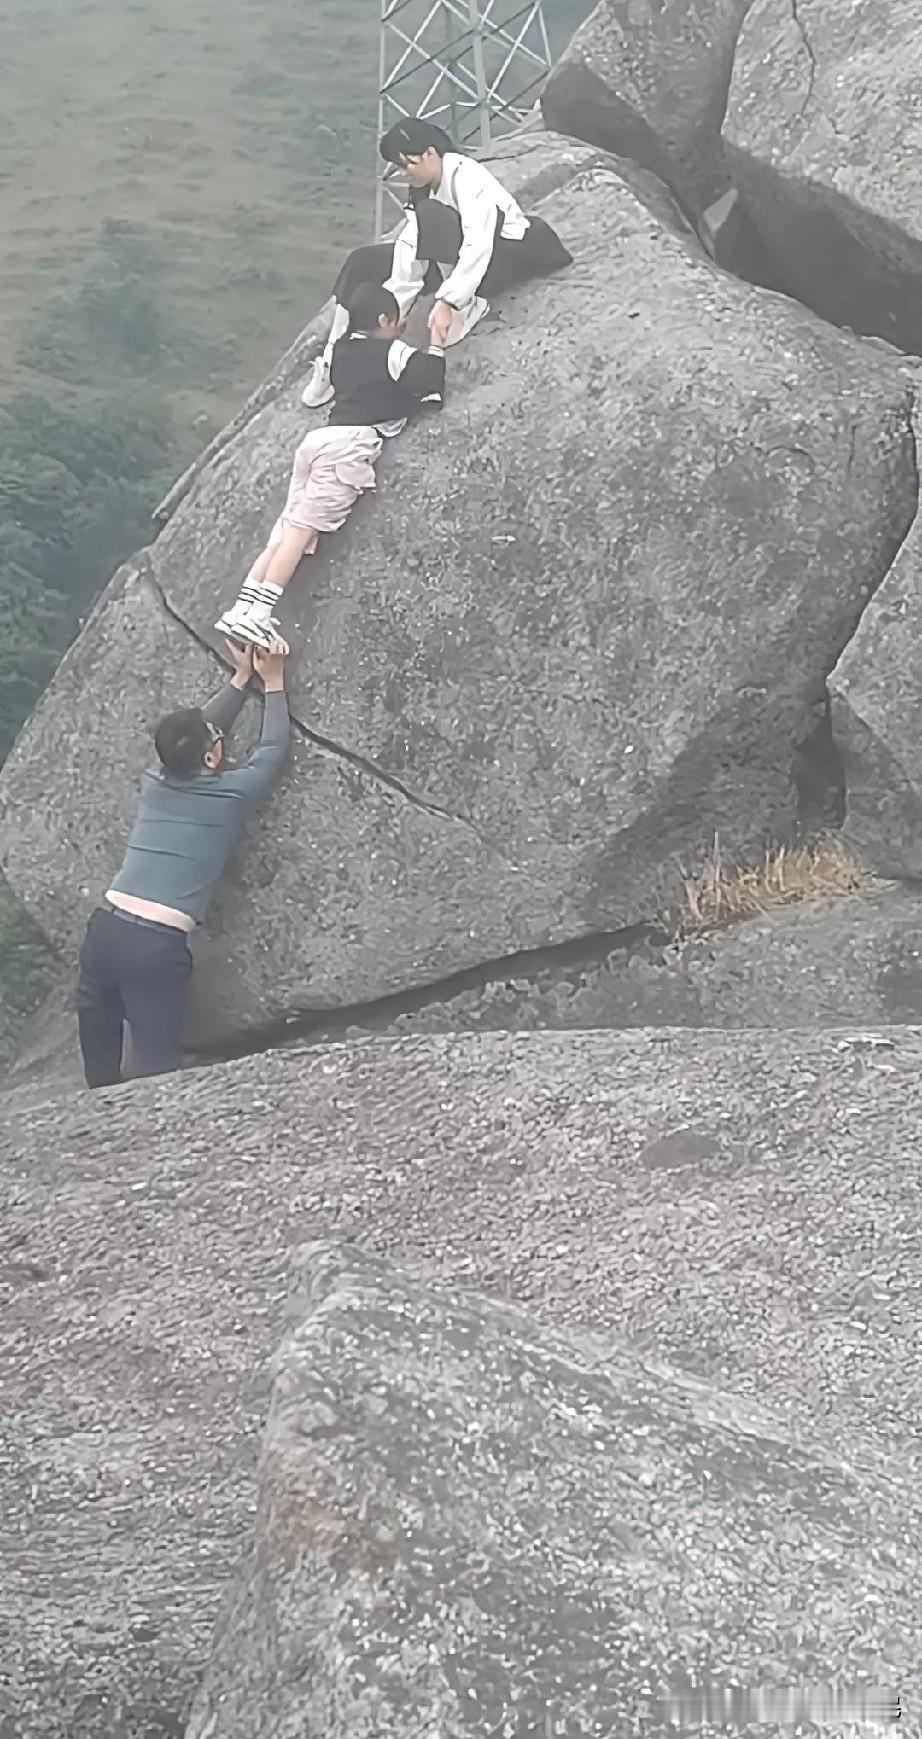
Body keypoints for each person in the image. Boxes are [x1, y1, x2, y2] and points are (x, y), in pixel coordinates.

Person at [75, 635, 290, 1089]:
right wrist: (273, 684)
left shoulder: (157, 779)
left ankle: (97, 1127)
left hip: (105, 929)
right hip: (154, 945)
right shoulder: (230, 794)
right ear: (213, 757)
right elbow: (271, 753)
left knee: (99, 1057)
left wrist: (240, 678)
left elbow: (198, 735)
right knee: (156, 1069)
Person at [215, 281, 445, 649]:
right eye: (397, 320)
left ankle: (243, 608)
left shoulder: (338, 351)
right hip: (348, 447)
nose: (400, 327)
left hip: (318, 442)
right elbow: (429, 379)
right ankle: (259, 615)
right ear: (385, 318)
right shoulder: (392, 351)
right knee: (300, 533)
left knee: (286, 529)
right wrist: (436, 340)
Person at [301, 118, 573, 405]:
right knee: (362, 261)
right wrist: (395, 309)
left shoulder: (467, 177)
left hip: (502, 259)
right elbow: (410, 245)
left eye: (408, 164)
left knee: (434, 215)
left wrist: (448, 302)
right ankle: (335, 358)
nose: (404, 173)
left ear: (431, 153)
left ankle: (467, 309)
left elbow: (478, 244)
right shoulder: (425, 187)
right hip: (450, 260)